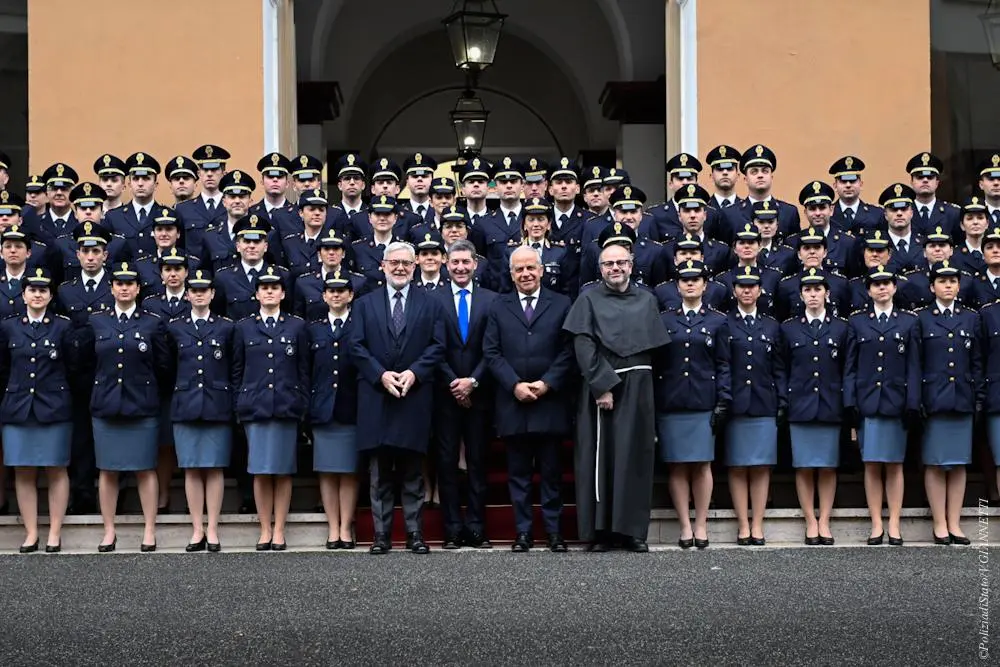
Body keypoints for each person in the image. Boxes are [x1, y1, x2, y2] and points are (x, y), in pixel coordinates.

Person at [564, 241, 670, 552]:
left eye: (621, 262)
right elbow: (583, 345)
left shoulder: (647, 299)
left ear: (631, 264)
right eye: (609, 264)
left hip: (639, 387)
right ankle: (601, 532)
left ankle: (632, 532)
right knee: (601, 461)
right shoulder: (588, 299)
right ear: (600, 269)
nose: (616, 268)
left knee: (635, 459)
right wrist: (602, 386)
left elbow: (655, 351)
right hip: (604, 388)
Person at [349, 241, 446, 554]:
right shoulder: (364, 304)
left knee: (413, 472)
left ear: (415, 265)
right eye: (394, 263)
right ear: (383, 265)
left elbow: (437, 345)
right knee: (379, 473)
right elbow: (356, 347)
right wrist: (381, 375)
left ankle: (415, 534)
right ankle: (381, 535)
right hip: (377, 397)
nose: (400, 268)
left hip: (413, 396)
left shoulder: (430, 304)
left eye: (406, 263)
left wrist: (414, 372)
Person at [483, 245, 574, 553]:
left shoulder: (562, 304)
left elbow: (568, 351)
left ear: (541, 270)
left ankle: (553, 532)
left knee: (551, 474)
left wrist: (547, 383)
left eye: (530, 268)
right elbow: (491, 352)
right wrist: (514, 385)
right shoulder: (498, 306)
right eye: (519, 269)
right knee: (518, 475)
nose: (525, 274)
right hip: (513, 403)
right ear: (511, 274)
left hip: (549, 402)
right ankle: (523, 532)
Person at [86, 261, 171, 552]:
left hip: (141, 405)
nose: (124, 288)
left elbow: (163, 365)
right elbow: (87, 364)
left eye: (129, 284)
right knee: (107, 470)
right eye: (119, 284)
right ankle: (109, 530)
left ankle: (149, 529)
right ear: (111, 288)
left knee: (145, 469)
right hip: (106, 404)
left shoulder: (152, 322)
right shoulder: (98, 321)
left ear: (137, 289)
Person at [654, 260, 730, 549]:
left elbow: (723, 364)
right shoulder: (665, 320)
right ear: (677, 285)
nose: (690, 284)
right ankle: (684, 526)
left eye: (695, 279)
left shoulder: (717, 321)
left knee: (701, 464)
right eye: (684, 280)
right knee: (676, 466)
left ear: (705, 285)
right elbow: (658, 362)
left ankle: (701, 524)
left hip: (702, 401)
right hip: (672, 401)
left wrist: (724, 399)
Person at [232, 267, 309, 550]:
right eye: (264, 287)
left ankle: (279, 529)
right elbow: (237, 370)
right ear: (256, 293)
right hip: (256, 407)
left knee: (283, 470)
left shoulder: (297, 326)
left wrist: (302, 406)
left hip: (286, 406)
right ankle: (265, 528)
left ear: (283, 293)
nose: (269, 292)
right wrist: (238, 406)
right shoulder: (244, 327)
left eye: (274, 287)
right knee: (261, 470)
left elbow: (303, 371)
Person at [0, 268, 74, 552]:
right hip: (18, 408)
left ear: (51, 295)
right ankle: (31, 532)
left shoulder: (63, 327)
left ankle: (54, 532)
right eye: (33, 290)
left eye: (43, 290)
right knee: (24, 471)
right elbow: (4, 367)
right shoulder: (9, 327)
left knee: (56, 470)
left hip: (54, 407)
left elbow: (74, 367)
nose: (38, 294)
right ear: (23, 294)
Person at [908, 260, 981, 545]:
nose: (948, 285)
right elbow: (915, 364)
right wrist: (917, 400)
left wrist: (978, 397)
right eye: (942, 281)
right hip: (934, 399)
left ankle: (955, 522)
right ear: (932, 286)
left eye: (952, 281)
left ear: (959, 286)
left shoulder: (970, 318)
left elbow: (976, 362)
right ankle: (939, 523)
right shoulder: (921, 319)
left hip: (962, 397)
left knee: (959, 462)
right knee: (936, 463)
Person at [432, 239, 498, 549]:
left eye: (465, 262)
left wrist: (473, 381)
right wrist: (454, 383)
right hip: (445, 396)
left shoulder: (492, 300)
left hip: (480, 393)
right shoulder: (432, 300)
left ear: (475, 264)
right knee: (445, 463)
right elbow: (433, 347)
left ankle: (476, 527)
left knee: (477, 463)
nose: (460, 267)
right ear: (447, 265)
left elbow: (493, 348)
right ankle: (452, 529)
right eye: (455, 262)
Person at [844, 265, 916, 545]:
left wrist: (912, 403)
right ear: (869, 290)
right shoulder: (858, 322)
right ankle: (876, 523)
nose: (882, 288)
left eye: (887, 283)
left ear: (895, 288)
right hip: (868, 402)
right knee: (871, 464)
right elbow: (850, 367)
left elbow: (913, 367)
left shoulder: (908, 322)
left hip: (897, 403)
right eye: (876, 284)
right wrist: (850, 401)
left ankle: (895, 522)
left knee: (895, 465)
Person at [165, 270, 235, 552]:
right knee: (191, 469)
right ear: (187, 294)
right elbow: (168, 367)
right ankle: (197, 528)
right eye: (194, 290)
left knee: (214, 468)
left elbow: (233, 366)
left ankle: (214, 528)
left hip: (217, 404)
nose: (199, 294)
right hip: (186, 403)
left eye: (204, 289)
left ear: (212, 294)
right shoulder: (175, 327)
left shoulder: (226, 327)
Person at [781, 269, 849, 545]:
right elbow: (783, 366)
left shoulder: (842, 327)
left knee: (828, 466)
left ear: (827, 294)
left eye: (818, 289)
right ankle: (810, 520)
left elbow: (847, 367)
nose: (813, 294)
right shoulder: (789, 328)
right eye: (808, 290)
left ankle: (825, 520)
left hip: (830, 404)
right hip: (801, 403)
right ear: (801, 295)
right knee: (805, 466)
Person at [725, 266, 787, 545]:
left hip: (764, 402)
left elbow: (779, 368)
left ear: (760, 291)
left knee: (762, 466)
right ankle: (742, 524)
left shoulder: (772, 326)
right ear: (734, 290)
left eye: (752, 287)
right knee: (738, 466)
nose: (747, 291)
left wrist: (782, 400)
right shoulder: (724, 323)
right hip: (737, 404)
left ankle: (758, 524)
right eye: (741, 286)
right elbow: (722, 366)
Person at [308, 272, 360, 549]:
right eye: (331, 291)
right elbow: (306, 372)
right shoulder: (313, 328)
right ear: (324, 295)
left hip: (351, 408)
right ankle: (332, 528)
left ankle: (346, 527)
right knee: (327, 471)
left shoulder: (359, 325)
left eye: (342, 291)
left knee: (349, 471)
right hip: (323, 407)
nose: (336, 295)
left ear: (351, 295)